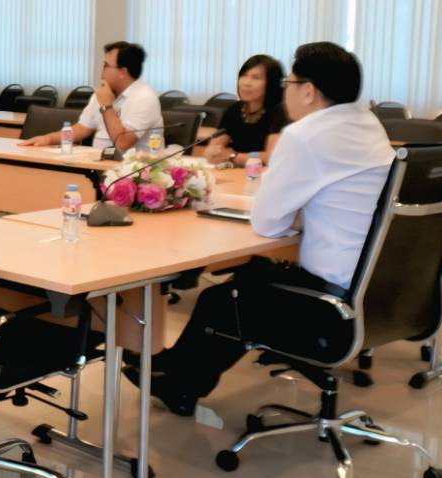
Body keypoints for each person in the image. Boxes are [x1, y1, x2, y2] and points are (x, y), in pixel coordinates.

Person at [136, 42, 394, 415]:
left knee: (224, 300)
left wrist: (294, 212)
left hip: (332, 301)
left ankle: (178, 384)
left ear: (308, 91)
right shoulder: (369, 125)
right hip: (377, 287)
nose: (285, 92)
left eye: (289, 83)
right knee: (254, 272)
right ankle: (173, 369)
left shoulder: (305, 135)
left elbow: (267, 222)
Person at [19, 41, 159, 152]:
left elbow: (122, 143)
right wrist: (48, 139)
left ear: (122, 72)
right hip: (97, 165)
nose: (101, 71)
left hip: (133, 172)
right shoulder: (104, 93)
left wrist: (106, 106)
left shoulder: (145, 98)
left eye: (105, 65)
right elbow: (81, 129)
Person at [204, 54, 291, 166]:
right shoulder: (234, 109)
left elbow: (271, 157)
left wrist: (233, 156)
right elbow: (215, 147)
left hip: (265, 173)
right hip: (238, 172)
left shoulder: (281, 111)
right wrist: (212, 152)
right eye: (244, 75)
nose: (246, 83)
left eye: (256, 78)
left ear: (271, 82)